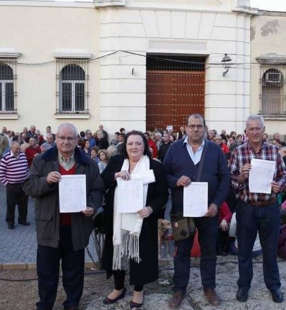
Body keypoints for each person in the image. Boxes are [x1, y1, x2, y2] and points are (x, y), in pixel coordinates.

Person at [23, 123, 104, 310]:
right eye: (62, 138)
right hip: (49, 227)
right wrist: (46, 181)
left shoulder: (87, 164)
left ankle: (72, 303)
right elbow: (28, 187)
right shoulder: (41, 161)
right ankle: (45, 305)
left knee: (74, 272)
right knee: (46, 271)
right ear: (55, 139)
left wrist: (92, 206)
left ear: (77, 140)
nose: (66, 141)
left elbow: (98, 189)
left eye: (70, 138)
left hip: (76, 227)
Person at [163, 113, 230, 308]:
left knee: (209, 251)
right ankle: (179, 289)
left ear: (205, 128)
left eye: (199, 126)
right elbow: (164, 174)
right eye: (192, 126)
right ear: (185, 127)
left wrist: (216, 204)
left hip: (208, 211)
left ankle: (209, 287)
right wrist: (175, 181)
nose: (195, 129)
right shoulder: (174, 149)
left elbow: (225, 179)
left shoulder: (215, 150)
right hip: (181, 211)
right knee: (181, 251)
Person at [100, 131, 168, 309]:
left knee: (139, 255)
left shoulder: (154, 166)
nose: (134, 147)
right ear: (125, 146)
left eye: (138, 143)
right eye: (130, 143)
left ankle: (139, 290)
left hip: (142, 220)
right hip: (117, 219)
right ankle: (118, 288)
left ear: (144, 145)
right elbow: (102, 181)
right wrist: (115, 176)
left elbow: (162, 194)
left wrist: (151, 208)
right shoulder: (116, 162)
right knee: (118, 253)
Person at [228, 115, 286, 304]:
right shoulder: (238, 152)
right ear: (246, 131)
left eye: (257, 128)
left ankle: (274, 286)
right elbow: (231, 181)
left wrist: (279, 185)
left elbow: (284, 175)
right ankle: (244, 286)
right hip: (247, 208)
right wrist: (241, 179)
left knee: (270, 250)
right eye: (251, 129)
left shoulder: (273, 151)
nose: (254, 132)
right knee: (244, 250)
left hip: (269, 207)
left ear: (263, 130)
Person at [0, 142, 29, 229]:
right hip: (11, 185)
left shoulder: (23, 156)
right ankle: (10, 222)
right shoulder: (6, 158)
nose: (18, 150)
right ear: (11, 148)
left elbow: (26, 168)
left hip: (23, 184)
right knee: (11, 205)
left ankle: (22, 220)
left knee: (23, 204)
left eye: (19, 148)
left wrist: (27, 179)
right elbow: (0, 173)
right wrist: (6, 184)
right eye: (16, 149)